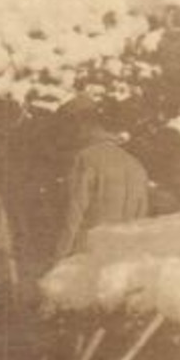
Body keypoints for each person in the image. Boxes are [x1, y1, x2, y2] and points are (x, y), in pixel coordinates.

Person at [52, 93, 150, 260]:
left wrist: (58, 259)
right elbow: (141, 220)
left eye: (66, 126)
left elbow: (73, 216)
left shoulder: (85, 159)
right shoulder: (135, 164)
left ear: (79, 124)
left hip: (85, 259)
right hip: (120, 261)